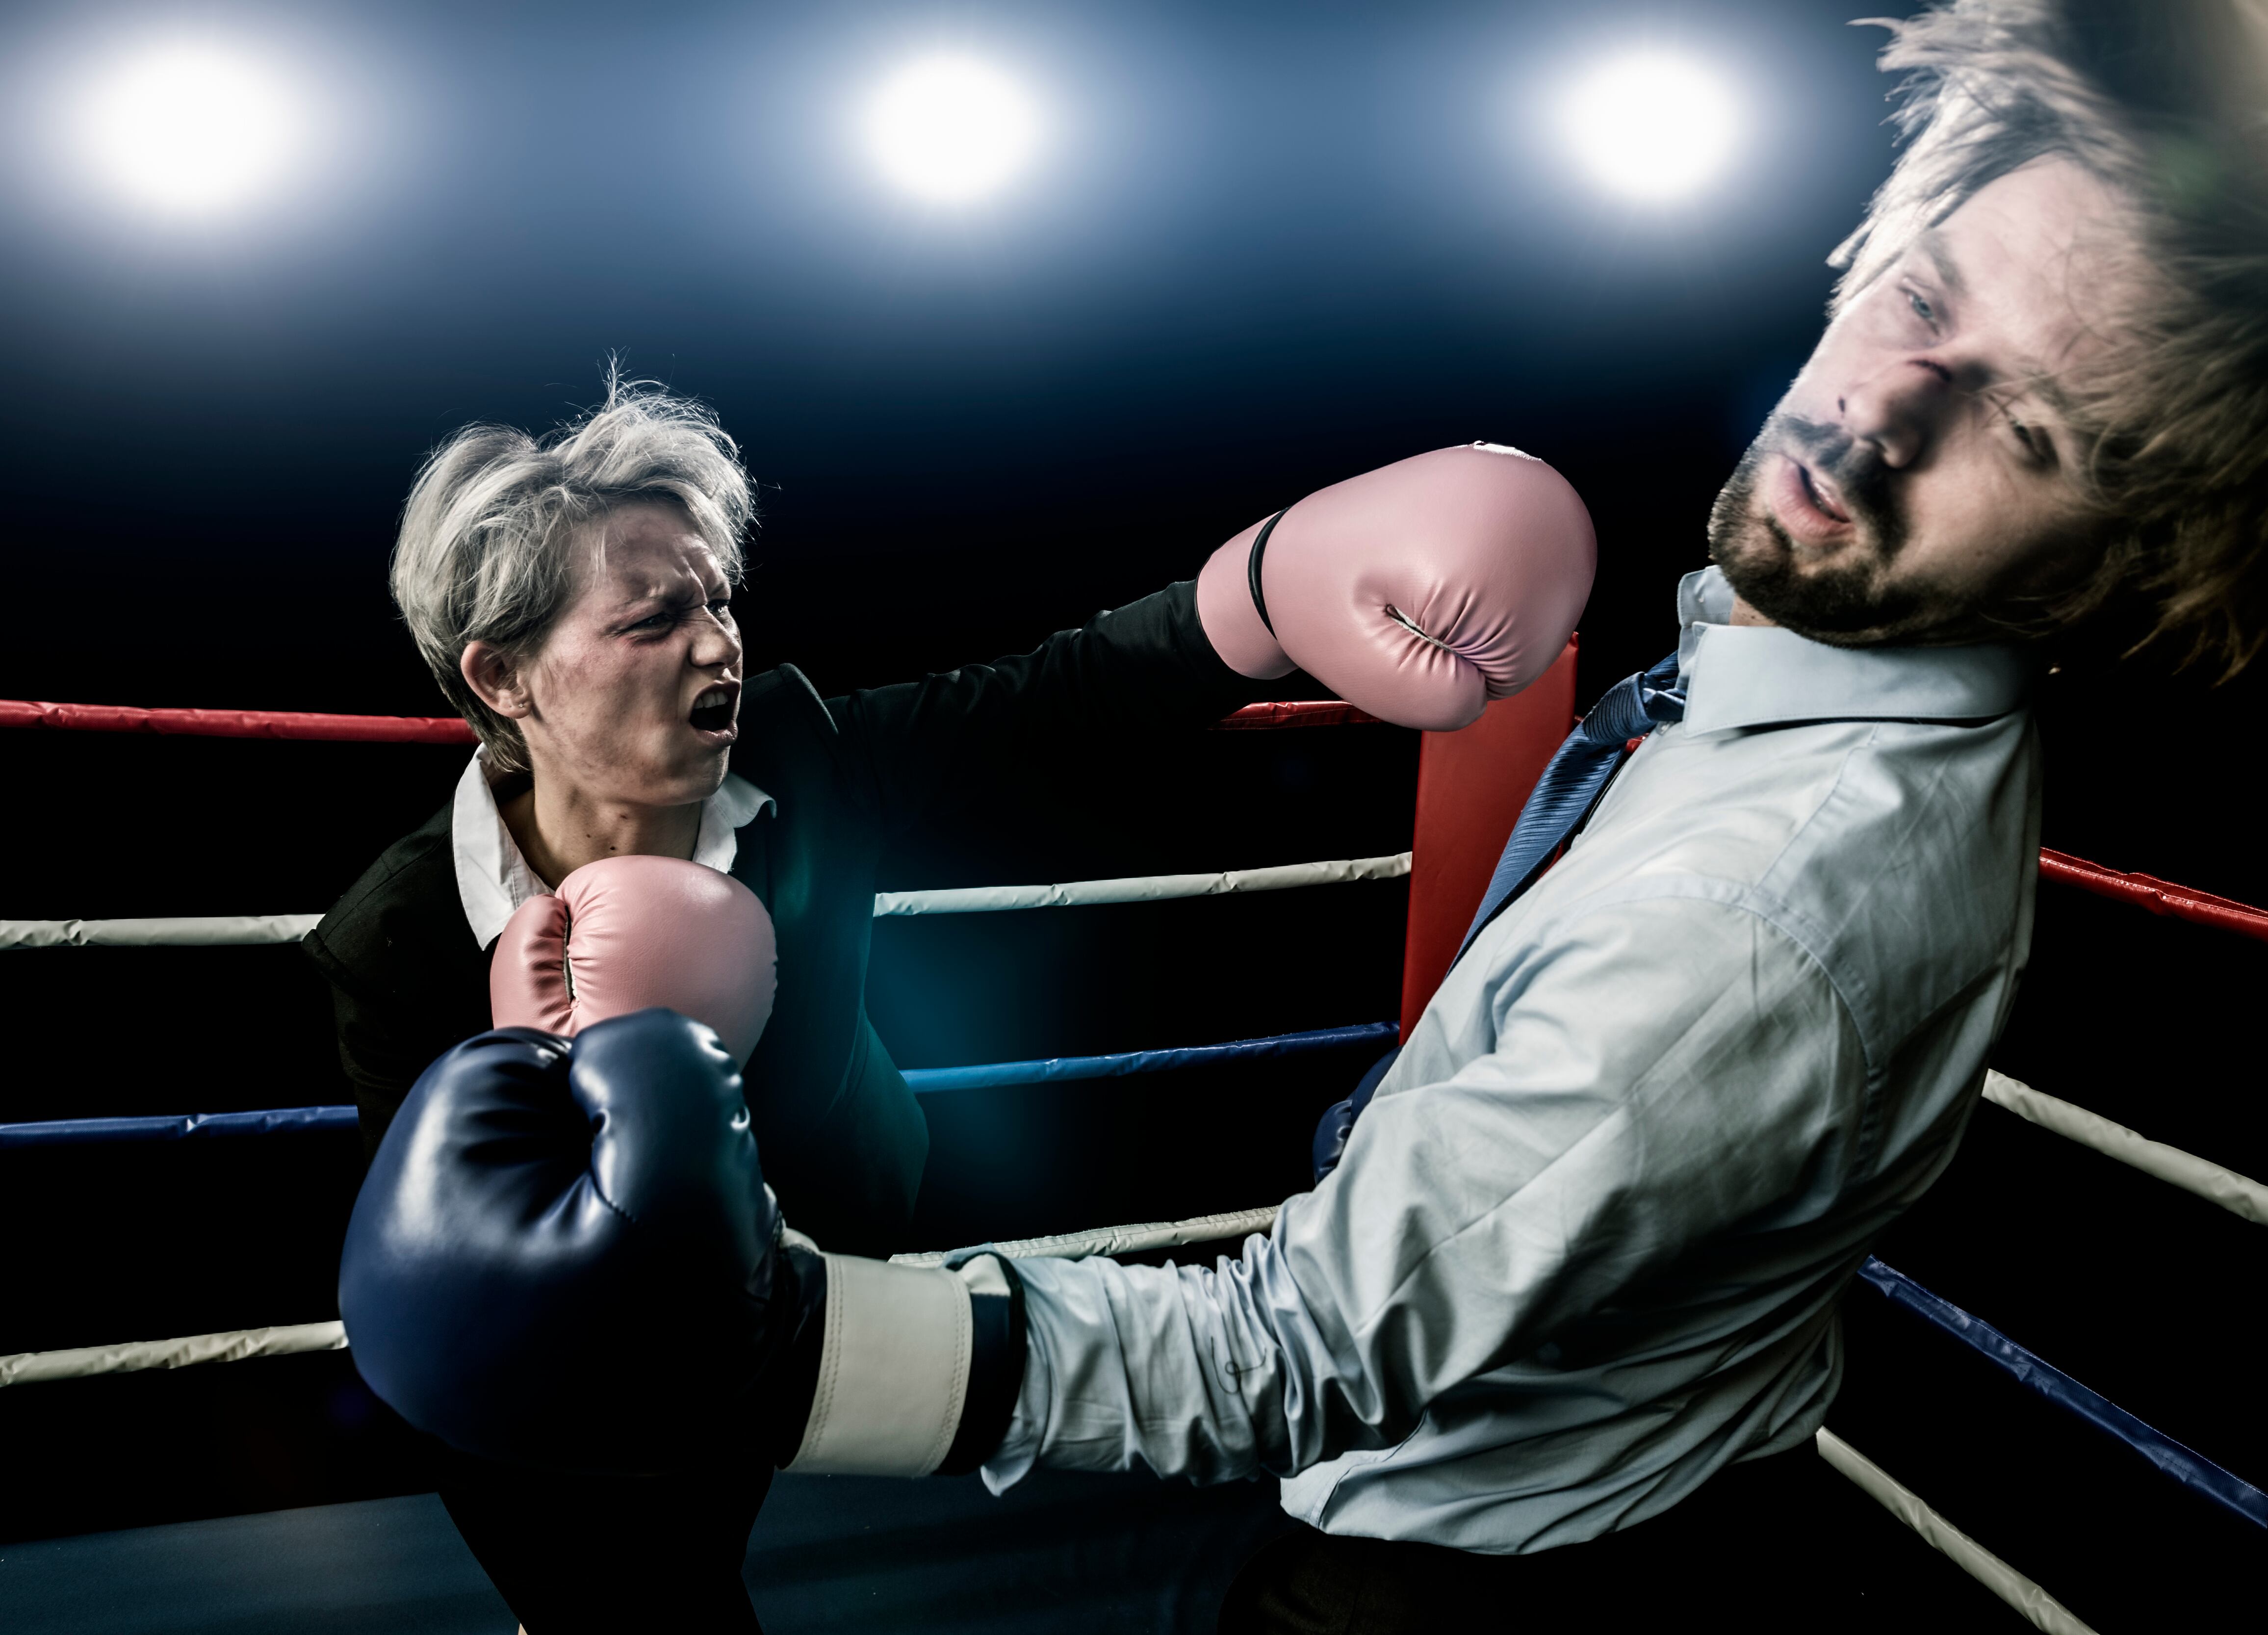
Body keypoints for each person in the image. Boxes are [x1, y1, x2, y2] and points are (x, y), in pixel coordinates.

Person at [335, 3, 2268, 1630]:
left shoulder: (1752, 918)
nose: (1868, 419)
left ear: (2149, 550)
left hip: (1435, 1552)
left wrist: (1252, 586)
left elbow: (1297, 1333)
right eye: (1918, 303)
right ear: (497, 674)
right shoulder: (1768, 703)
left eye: (2027, 429)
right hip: (1541, 1461)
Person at [303, 395, 1593, 1633]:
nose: (717, 643)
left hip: (840, 1233)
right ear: (504, 675)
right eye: (654, 620)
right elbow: (433, 1296)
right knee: (622, 1589)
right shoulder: (401, 940)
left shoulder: (799, 758)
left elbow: (1054, 701)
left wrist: (1262, 590)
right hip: (595, 1363)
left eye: (718, 598)